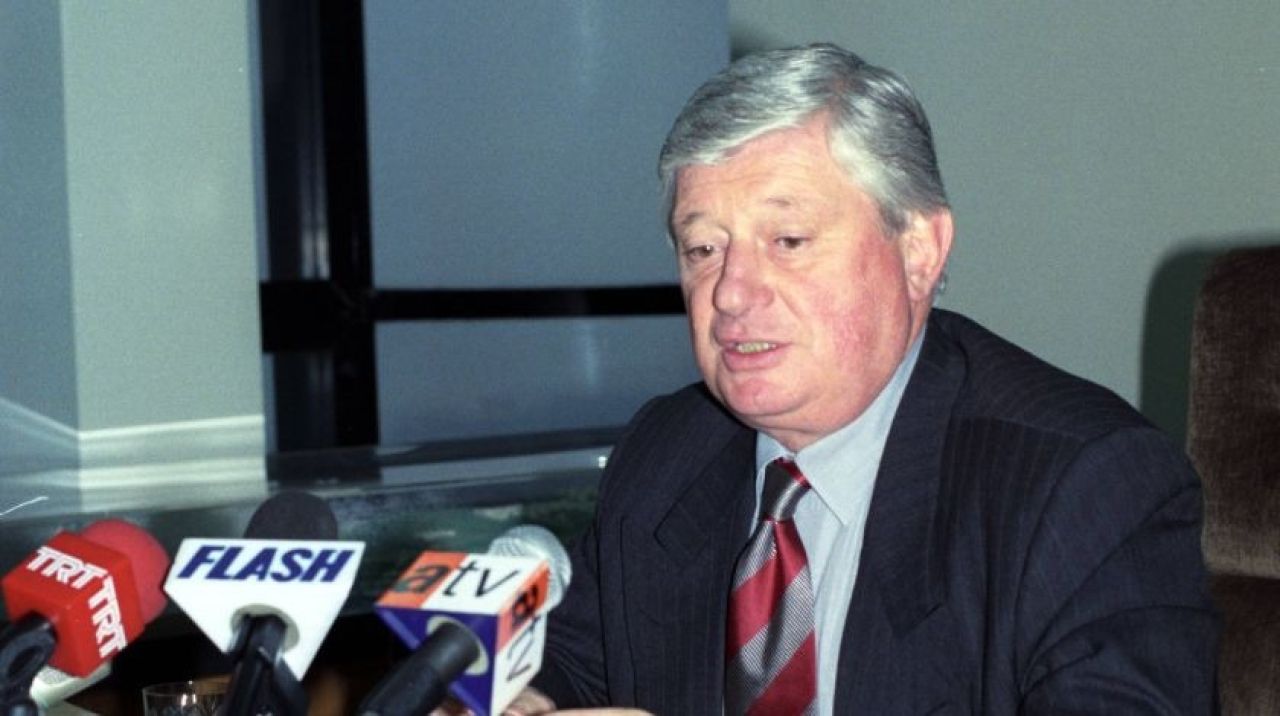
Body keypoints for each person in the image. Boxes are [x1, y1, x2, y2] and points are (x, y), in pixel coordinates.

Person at [518, 43, 1219, 714]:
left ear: (919, 252)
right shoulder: (669, 453)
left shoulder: (1084, 487)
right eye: (703, 248)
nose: (729, 292)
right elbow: (576, 663)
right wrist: (517, 699)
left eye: (788, 241)